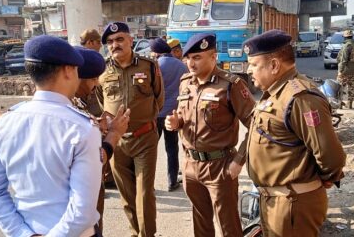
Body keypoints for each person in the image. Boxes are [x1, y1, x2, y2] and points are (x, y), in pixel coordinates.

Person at [0, 35, 104, 236]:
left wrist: (22, 233)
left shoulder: (5, 122)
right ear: (68, 70)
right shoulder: (82, 128)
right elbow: (82, 211)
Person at [243, 29, 346, 237]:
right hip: (275, 201)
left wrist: (323, 179)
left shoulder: (300, 98)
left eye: (254, 65)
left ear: (274, 65)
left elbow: (331, 157)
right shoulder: (274, 94)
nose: (248, 70)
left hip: (292, 204)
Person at [165, 33, 255, 237]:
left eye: (197, 57)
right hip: (190, 166)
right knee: (200, 225)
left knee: (228, 226)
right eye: (188, 58)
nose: (191, 63)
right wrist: (175, 122)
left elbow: (257, 125)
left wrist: (239, 160)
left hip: (220, 166)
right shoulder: (185, 82)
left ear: (213, 57)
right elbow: (184, 115)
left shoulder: (230, 84)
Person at [95, 22, 164, 237]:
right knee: (127, 194)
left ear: (130, 41)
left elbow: (159, 99)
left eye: (119, 39)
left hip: (145, 138)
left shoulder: (149, 66)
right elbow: (101, 101)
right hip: (116, 142)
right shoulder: (102, 70)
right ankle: (136, 232)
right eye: (110, 42)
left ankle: (147, 235)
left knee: (144, 194)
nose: (115, 45)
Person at [73, 46, 130, 235]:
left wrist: (97, 125)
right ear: (74, 76)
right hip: (80, 202)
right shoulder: (66, 114)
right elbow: (92, 161)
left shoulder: (76, 103)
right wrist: (114, 133)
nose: (96, 84)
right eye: (92, 79)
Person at [149, 38, 188, 192]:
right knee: (172, 148)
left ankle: (147, 183)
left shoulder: (155, 66)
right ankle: (172, 181)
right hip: (173, 114)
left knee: (150, 149)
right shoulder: (182, 66)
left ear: (157, 52)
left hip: (156, 113)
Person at [80, 28, 117, 188]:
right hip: (88, 114)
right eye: (98, 43)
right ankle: (102, 178)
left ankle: (104, 178)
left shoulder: (92, 60)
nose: (100, 47)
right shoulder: (82, 62)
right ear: (90, 42)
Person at [336, 29, 354, 109]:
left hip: (345, 70)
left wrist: (340, 71)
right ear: (352, 36)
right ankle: (350, 104)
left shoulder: (346, 46)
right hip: (353, 70)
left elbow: (344, 60)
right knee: (351, 87)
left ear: (345, 37)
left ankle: (339, 104)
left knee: (340, 87)